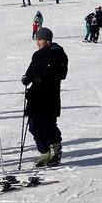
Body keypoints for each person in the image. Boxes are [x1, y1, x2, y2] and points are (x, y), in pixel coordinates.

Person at [23, 28, 69, 167]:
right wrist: (27, 77)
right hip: (35, 96)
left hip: (49, 96)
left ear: (48, 40)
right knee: (33, 125)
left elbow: (61, 74)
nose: (37, 42)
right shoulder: (37, 55)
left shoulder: (58, 54)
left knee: (48, 125)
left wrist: (43, 78)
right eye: (37, 39)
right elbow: (31, 70)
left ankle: (55, 152)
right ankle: (45, 152)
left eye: (40, 39)